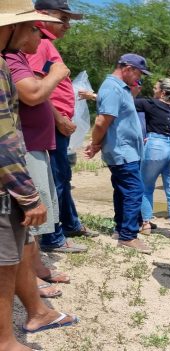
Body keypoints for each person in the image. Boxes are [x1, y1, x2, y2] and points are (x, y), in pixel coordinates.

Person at [1, 5, 80, 351]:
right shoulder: (6, 65)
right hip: (12, 172)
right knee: (7, 253)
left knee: (16, 246)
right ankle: (6, 346)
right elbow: (5, 137)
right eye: (32, 29)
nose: (38, 36)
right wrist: (29, 196)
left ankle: (35, 312)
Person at [27, 0, 99, 254]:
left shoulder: (46, 43)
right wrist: (58, 118)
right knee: (55, 178)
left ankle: (68, 223)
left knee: (62, 176)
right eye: (63, 18)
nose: (67, 25)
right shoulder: (39, 42)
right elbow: (33, 87)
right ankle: (52, 237)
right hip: (51, 125)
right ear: (43, 15)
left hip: (56, 124)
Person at [83, 54, 151, 254]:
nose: (139, 78)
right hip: (123, 151)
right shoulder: (112, 88)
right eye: (138, 73)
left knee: (123, 190)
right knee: (133, 191)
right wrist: (95, 143)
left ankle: (120, 228)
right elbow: (101, 122)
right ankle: (128, 236)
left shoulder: (119, 88)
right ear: (128, 68)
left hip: (126, 150)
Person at [132, 78, 170, 240]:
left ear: (162, 92)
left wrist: (93, 96)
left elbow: (124, 102)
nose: (153, 89)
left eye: (155, 87)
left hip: (155, 145)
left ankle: (146, 223)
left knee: (146, 186)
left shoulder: (151, 104)